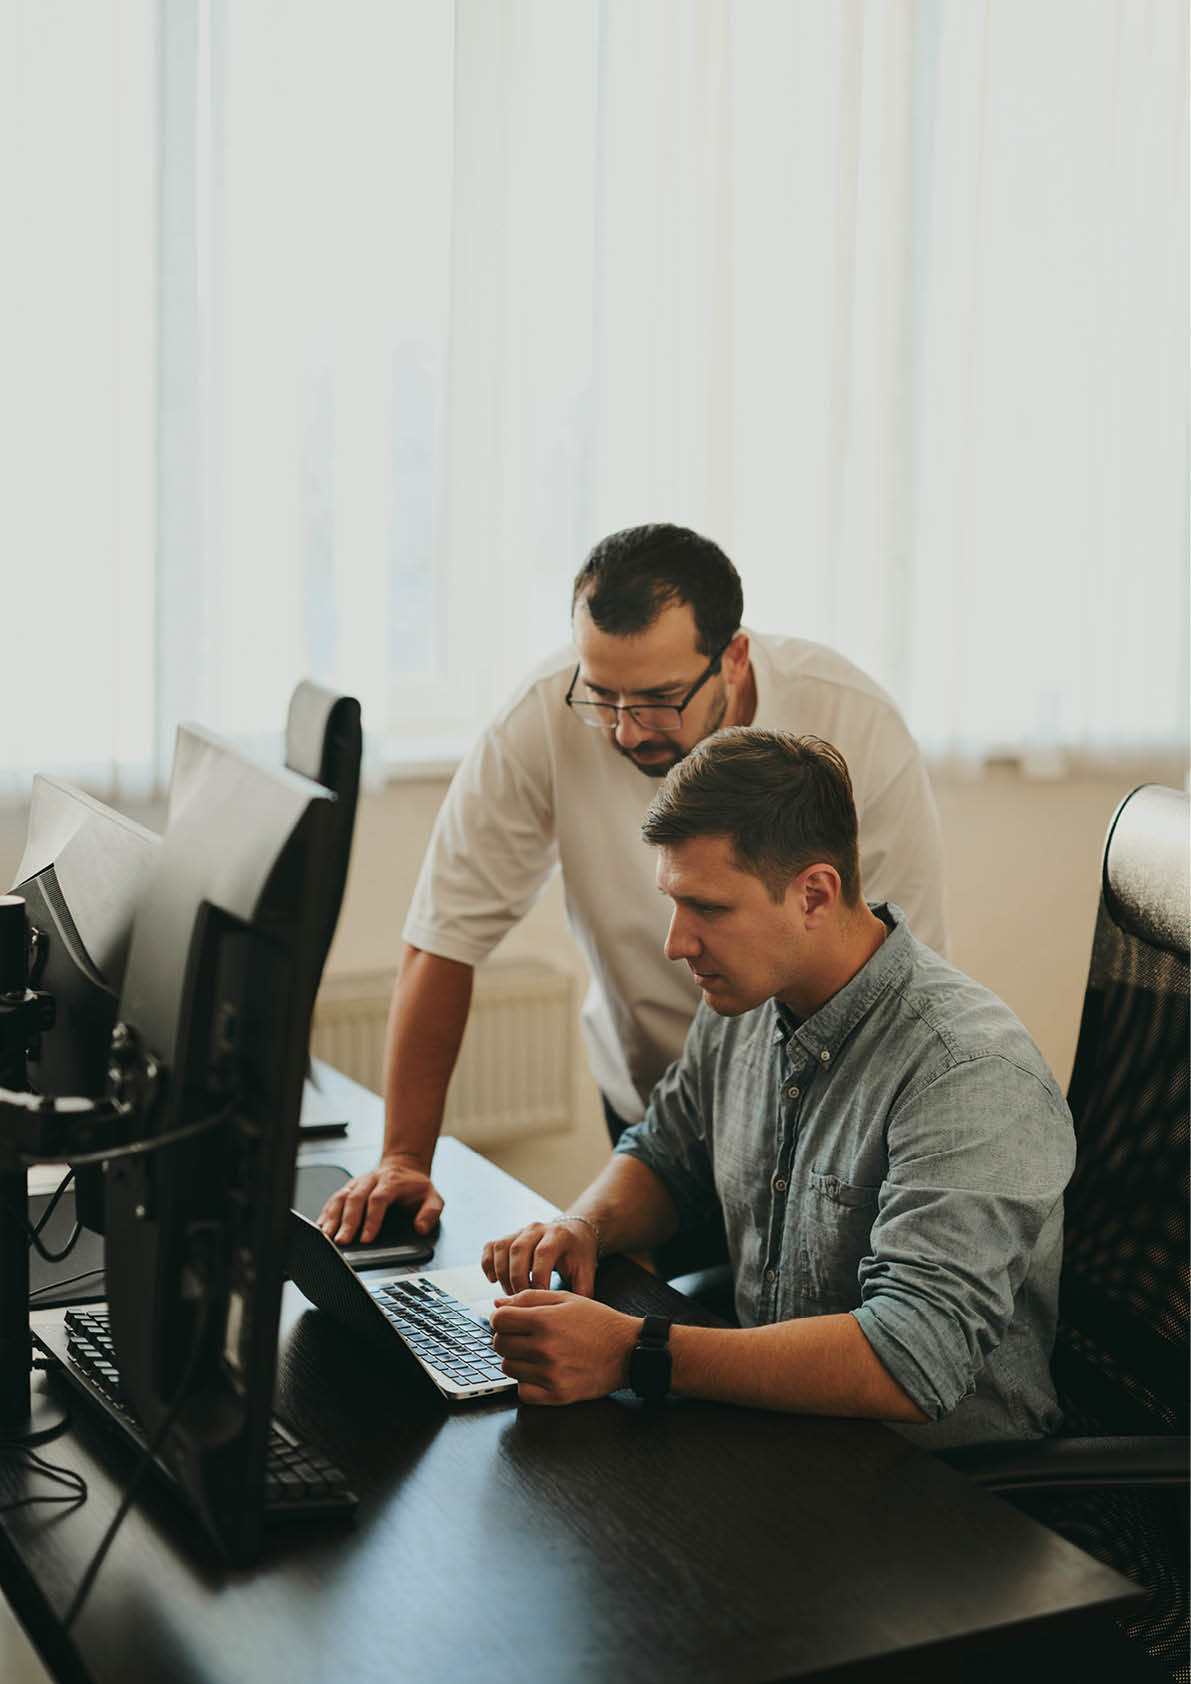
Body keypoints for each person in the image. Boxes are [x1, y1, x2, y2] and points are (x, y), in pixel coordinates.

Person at [318, 524, 947, 1247]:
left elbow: (897, 981)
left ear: (733, 658)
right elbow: (443, 937)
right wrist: (402, 1158)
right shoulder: (540, 717)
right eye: (603, 696)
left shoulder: (854, 725)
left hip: (827, 1116)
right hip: (654, 1103)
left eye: (658, 698)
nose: (625, 731)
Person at [481, 731, 1075, 1448]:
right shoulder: (746, 1001)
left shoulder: (968, 1073)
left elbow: (912, 1359)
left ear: (814, 895)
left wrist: (633, 1350)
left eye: (708, 908)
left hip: (947, 1505)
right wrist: (583, 1226)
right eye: (673, 902)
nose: (676, 942)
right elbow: (666, 1155)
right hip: (784, 1440)